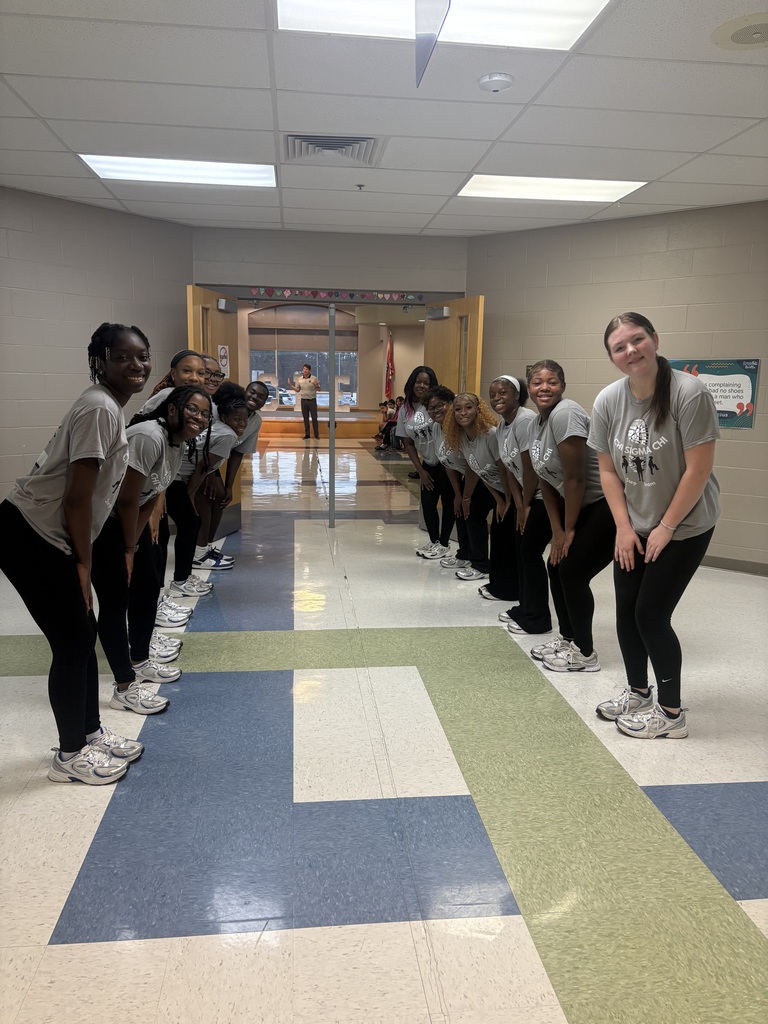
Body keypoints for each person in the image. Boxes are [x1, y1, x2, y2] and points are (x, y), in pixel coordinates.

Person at [0, 323, 151, 784]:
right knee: (71, 642)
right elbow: (77, 498)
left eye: (142, 356)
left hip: (49, 535)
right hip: (31, 534)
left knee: (82, 636)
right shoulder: (100, 407)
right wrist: (83, 564)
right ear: (99, 362)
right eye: (122, 357)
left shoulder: (106, 405)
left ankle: (89, 733)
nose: (135, 365)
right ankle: (70, 756)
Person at [589, 312, 720, 739]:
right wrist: (624, 528)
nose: (631, 351)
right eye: (619, 347)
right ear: (612, 357)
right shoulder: (608, 400)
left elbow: (698, 470)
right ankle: (637, 692)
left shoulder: (689, 392)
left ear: (655, 339)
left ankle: (671, 714)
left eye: (637, 339)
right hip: (636, 523)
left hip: (685, 524)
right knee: (626, 611)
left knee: (650, 615)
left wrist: (665, 527)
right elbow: (607, 471)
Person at [526, 360, 615, 672]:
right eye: (537, 382)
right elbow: (546, 479)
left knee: (573, 573)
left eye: (552, 381)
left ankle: (585, 654)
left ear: (563, 386)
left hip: (604, 505)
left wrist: (570, 529)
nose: (544, 387)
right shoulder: (536, 424)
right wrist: (557, 532)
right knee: (556, 565)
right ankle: (568, 638)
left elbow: (576, 479)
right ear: (529, 388)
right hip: (575, 505)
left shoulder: (566, 413)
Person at [166, 382, 247, 597]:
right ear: (225, 417)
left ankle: (184, 576)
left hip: (174, 476)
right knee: (190, 524)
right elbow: (202, 467)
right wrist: (190, 496)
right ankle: (180, 581)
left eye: (245, 420)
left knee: (189, 524)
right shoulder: (228, 436)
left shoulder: (217, 427)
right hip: (174, 479)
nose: (242, 424)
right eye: (237, 419)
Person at [490, 375, 553, 635]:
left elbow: (530, 468)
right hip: (525, 498)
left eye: (503, 393)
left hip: (543, 497)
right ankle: (525, 607)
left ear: (517, 395)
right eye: (493, 394)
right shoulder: (502, 426)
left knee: (530, 554)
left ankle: (538, 618)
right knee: (522, 553)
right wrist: (516, 503)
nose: (497, 398)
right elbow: (508, 468)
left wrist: (526, 505)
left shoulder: (525, 420)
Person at [194, 379, 269, 571]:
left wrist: (229, 486)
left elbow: (237, 453)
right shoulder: (222, 408)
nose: (255, 397)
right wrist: (210, 477)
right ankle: (198, 554)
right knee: (208, 498)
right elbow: (203, 446)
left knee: (221, 497)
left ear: (264, 403)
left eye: (261, 397)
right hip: (197, 460)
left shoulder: (255, 421)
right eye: (252, 392)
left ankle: (206, 548)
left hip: (212, 462)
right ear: (245, 391)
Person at [443, 393, 514, 597]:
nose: (463, 413)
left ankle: (498, 578)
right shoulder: (463, 437)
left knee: (504, 535)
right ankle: (484, 568)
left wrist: (506, 500)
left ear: (478, 410)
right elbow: (478, 470)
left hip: (512, 488)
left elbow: (505, 470)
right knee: (473, 515)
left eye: (468, 407)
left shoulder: (490, 434)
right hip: (494, 487)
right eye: (458, 409)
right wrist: (467, 497)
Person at [426, 387, 494, 573]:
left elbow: (473, 465)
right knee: (461, 513)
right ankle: (464, 555)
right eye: (431, 408)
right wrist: (458, 494)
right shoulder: (439, 428)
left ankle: (480, 564)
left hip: (484, 477)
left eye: (440, 405)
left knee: (473, 514)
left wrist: (466, 496)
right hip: (470, 477)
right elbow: (447, 462)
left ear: (450, 405)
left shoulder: (469, 430)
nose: (436, 411)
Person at [396, 366, 455, 559]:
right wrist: (421, 470)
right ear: (412, 383)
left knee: (448, 503)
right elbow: (408, 443)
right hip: (428, 464)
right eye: (418, 382)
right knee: (428, 504)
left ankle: (444, 544)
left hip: (446, 463)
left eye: (426, 383)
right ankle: (434, 541)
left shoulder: (435, 404)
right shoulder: (405, 410)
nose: (421, 386)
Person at [287, 363, 321, 439]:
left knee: (314, 418)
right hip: (303, 401)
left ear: (309, 370)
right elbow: (297, 390)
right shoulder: (300, 379)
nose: (305, 370)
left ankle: (316, 435)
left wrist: (317, 385)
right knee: (305, 418)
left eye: (306, 369)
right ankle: (307, 434)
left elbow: (319, 389)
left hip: (312, 400)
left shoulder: (314, 378)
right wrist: (290, 385)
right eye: (304, 369)